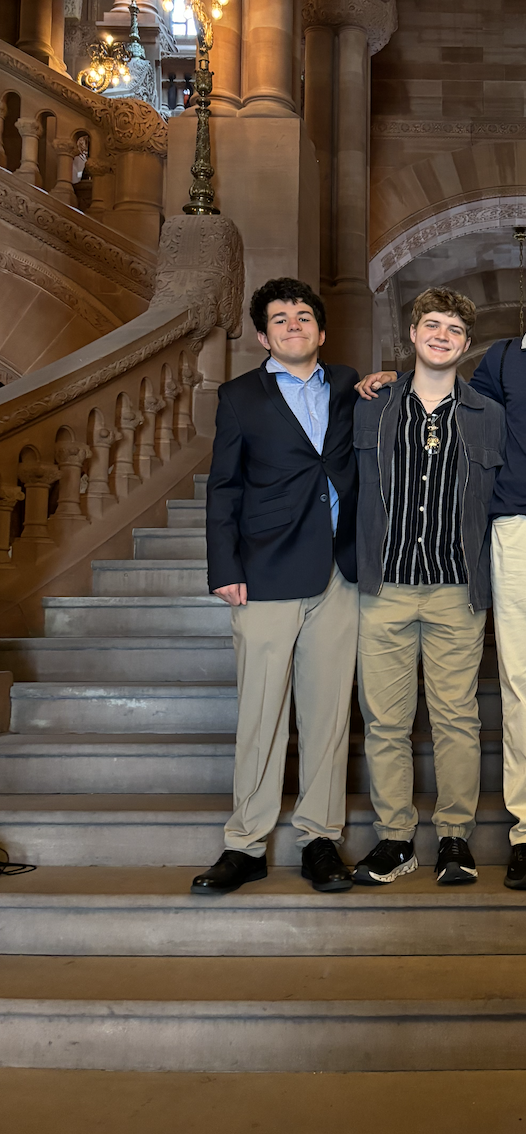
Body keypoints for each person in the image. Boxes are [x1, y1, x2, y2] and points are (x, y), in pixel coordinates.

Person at [358, 241, 526, 891]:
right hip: (514, 533)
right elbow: (447, 405)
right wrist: (385, 382)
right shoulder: (503, 362)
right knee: (521, 691)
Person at [194, 278, 360, 896]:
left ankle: (319, 838)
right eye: (280, 319)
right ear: (264, 336)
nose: (294, 324)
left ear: (320, 329)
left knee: (327, 715)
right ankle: (246, 844)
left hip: (339, 575)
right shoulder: (239, 396)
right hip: (263, 572)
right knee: (262, 712)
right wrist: (225, 567)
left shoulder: (349, 386)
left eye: (303, 315)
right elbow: (224, 486)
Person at [349, 288, 505, 887]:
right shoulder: (371, 405)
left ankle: (454, 838)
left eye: (455, 330)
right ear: (412, 334)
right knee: (385, 721)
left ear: (466, 345)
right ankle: (394, 838)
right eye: (432, 325)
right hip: (383, 585)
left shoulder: (488, 415)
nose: (442, 335)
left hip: (454, 588)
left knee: (455, 719)